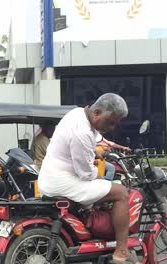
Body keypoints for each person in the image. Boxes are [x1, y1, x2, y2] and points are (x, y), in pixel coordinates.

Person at [38, 93, 139, 264]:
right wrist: (102, 178)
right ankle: (121, 252)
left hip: (50, 178)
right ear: (97, 112)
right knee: (120, 192)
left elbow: (94, 139)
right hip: (62, 182)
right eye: (110, 122)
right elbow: (86, 173)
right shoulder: (82, 131)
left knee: (105, 189)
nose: (112, 127)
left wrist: (97, 151)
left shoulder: (77, 113)